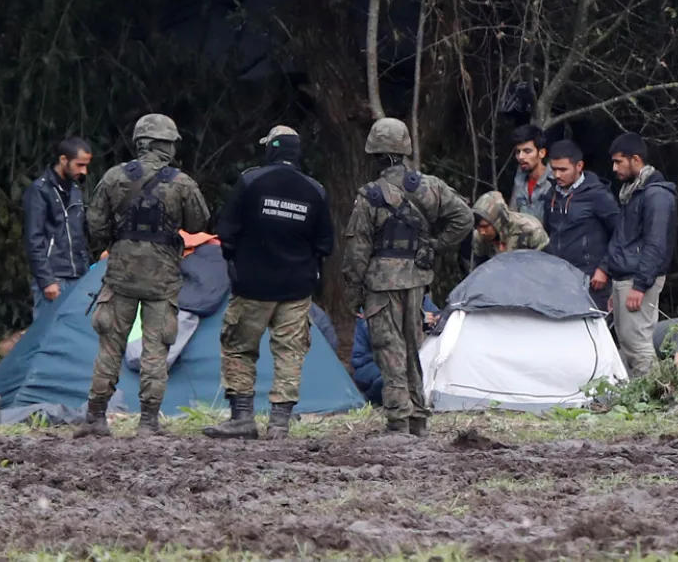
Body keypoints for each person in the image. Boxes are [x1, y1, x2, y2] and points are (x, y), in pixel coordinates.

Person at [76, 113, 210, 438]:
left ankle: (95, 417)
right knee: (156, 350)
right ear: (164, 144)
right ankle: (148, 422)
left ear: (140, 142)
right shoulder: (181, 183)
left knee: (110, 346)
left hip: (120, 275)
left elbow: (94, 226)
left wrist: (120, 240)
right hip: (161, 280)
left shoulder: (112, 177)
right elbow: (198, 224)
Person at [343, 117, 473, 437]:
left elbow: (357, 250)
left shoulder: (369, 196)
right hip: (417, 280)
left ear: (375, 154)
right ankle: (417, 417)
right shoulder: (429, 187)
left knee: (389, 349)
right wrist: (436, 246)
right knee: (412, 347)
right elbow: (464, 218)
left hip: (380, 283)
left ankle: (398, 420)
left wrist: (353, 293)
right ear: (404, 151)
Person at [203, 126, 335, 441]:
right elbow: (325, 244)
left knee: (238, 348)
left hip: (252, 286)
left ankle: (242, 419)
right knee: (290, 353)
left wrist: (236, 265)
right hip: (296, 289)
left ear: (272, 149)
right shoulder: (314, 190)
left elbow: (227, 232)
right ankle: (279, 424)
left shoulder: (250, 182)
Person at [606, 132, 678, 377]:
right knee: (627, 341)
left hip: (638, 278)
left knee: (637, 342)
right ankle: (637, 397)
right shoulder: (633, 192)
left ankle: (653, 395)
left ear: (635, 159)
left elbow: (656, 245)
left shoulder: (656, 195)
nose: (614, 168)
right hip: (626, 277)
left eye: (619, 161)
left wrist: (640, 285)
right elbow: (624, 240)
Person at [542, 140, 620, 310]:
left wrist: (604, 268)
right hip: (559, 278)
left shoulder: (598, 194)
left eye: (563, 169)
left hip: (592, 280)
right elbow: (547, 233)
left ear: (579, 166)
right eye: (554, 169)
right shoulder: (551, 196)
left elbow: (619, 232)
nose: (557, 175)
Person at [23, 137, 93, 318]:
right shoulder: (39, 190)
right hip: (54, 279)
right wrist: (46, 281)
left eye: (86, 165)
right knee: (47, 339)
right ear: (63, 160)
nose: (84, 171)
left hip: (78, 277)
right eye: (79, 165)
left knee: (74, 339)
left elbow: (80, 236)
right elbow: (34, 238)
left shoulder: (76, 191)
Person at [351, 294, 441, 406]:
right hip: (371, 364)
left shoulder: (416, 296)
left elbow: (437, 316)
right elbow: (384, 338)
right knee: (394, 379)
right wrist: (417, 320)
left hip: (406, 363)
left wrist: (437, 321)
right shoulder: (371, 303)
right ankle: (368, 400)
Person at [472, 190, 549, 267]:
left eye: (485, 226)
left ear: (498, 220)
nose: (482, 232)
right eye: (477, 226)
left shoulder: (531, 229)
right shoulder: (479, 237)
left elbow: (546, 264)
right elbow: (479, 270)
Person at [509, 124, 554, 222]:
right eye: (518, 152)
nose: (521, 157)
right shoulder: (519, 181)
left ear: (541, 153)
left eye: (527, 151)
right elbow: (512, 216)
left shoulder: (554, 181)